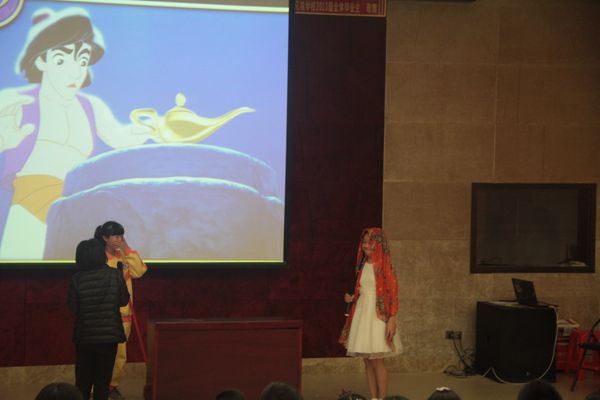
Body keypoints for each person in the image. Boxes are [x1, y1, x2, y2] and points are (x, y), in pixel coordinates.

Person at [0, 6, 158, 259]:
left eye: (82, 61)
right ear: (41, 61)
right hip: (30, 208)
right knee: (26, 265)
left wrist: (150, 128)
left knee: (87, 268)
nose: (75, 72)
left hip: (78, 210)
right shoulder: (15, 101)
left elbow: (120, 137)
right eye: (61, 60)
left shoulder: (91, 106)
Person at [339, 228, 402, 400]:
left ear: (379, 244)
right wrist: (351, 297)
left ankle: (382, 398)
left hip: (377, 316)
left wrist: (392, 319)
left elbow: (393, 294)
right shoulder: (361, 265)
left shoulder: (385, 266)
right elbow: (361, 289)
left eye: (370, 242)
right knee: (367, 361)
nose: (366, 245)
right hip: (362, 313)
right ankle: (373, 398)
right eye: (365, 242)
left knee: (377, 361)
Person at [68, 239, 130, 400]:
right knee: (103, 382)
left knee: (82, 382)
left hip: (85, 337)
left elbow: (73, 308)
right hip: (109, 337)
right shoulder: (114, 275)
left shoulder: (77, 278)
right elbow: (124, 300)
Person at [94, 220, 147, 400]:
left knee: (120, 354)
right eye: (116, 236)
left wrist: (127, 249)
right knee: (101, 353)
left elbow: (139, 271)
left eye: (121, 236)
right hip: (104, 314)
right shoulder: (98, 257)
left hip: (124, 314)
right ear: (105, 238)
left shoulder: (124, 256)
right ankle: (97, 386)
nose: (119, 239)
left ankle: (112, 386)